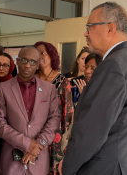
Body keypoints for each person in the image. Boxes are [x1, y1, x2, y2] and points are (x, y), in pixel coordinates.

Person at [62, 2, 127, 175]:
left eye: (89, 27)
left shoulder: (113, 65)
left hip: (105, 166)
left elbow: (91, 132)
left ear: (110, 28)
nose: (85, 33)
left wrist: (68, 167)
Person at [0, 46, 61, 175]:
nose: (27, 65)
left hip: (39, 159)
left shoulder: (49, 89)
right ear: (17, 61)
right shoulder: (3, 88)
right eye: (24, 60)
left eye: (33, 62)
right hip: (11, 161)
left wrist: (38, 145)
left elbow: (54, 119)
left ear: (38, 64)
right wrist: (26, 143)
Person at [34, 41, 74, 175]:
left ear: (51, 55)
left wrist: (65, 141)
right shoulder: (31, 80)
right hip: (33, 133)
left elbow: (68, 114)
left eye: (42, 53)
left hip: (55, 136)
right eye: (36, 54)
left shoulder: (62, 81)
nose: (39, 57)